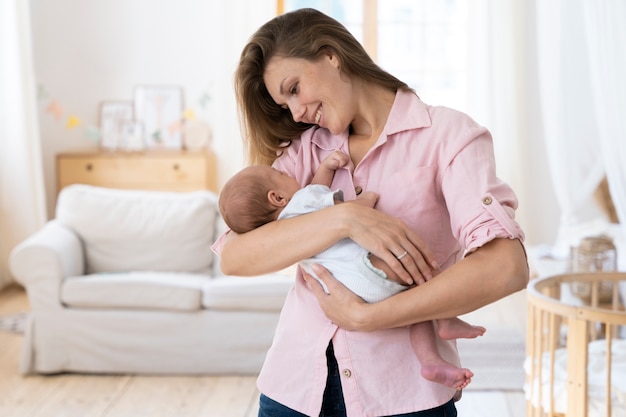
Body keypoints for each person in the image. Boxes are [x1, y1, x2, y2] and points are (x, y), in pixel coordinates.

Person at [214, 7, 529, 417]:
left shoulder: (448, 136)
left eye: (294, 88)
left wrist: (370, 317)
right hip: (294, 390)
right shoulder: (305, 151)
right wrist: (345, 218)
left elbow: (507, 267)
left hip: (405, 396)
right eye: (284, 103)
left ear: (330, 55)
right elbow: (236, 257)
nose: (294, 113)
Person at [218, 150, 485, 390]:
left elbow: (315, 191)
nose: (284, 171)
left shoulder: (283, 227)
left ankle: (431, 362)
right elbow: (344, 209)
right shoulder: (302, 202)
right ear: (276, 197)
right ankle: (444, 322)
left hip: (345, 287)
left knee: (415, 300)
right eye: (279, 173)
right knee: (420, 269)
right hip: (367, 270)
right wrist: (367, 199)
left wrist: (326, 167)